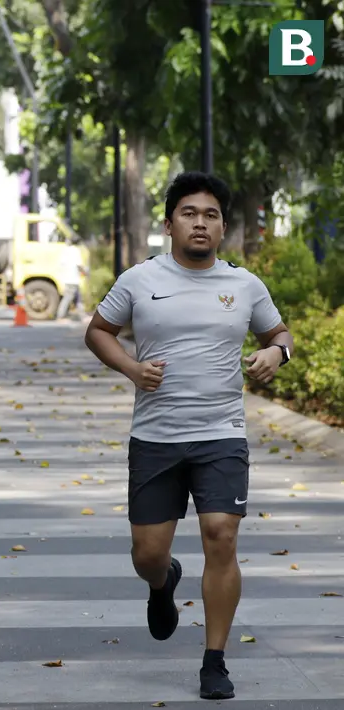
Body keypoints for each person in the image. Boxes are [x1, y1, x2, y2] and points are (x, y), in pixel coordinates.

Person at [85, 171, 293, 701]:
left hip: (221, 432)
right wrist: (131, 369)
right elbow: (98, 331)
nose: (200, 223)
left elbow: (279, 334)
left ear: (222, 227)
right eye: (189, 213)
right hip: (155, 437)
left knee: (222, 534)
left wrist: (276, 353)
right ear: (169, 223)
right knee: (147, 554)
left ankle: (215, 660)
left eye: (211, 215)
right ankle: (162, 582)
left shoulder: (244, 285)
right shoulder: (139, 279)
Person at [56, 239, 87, 320]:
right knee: (68, 298)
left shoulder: (65, 250)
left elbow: (61, 264)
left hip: (66, 278)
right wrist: (85, 272)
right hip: (73, 279)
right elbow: (79, 264)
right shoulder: (76, 250)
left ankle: (82, 316)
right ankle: (60, 316)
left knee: (77, 298)